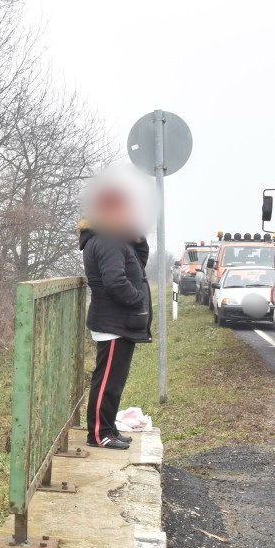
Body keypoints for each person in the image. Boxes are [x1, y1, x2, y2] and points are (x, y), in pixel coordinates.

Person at [79, 179, 153, 450]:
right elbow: (116, 282)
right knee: (106, 382)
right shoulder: (107, 241)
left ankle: (108, 429)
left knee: (113, 382)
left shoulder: (116, 239)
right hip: (113, 322)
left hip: (119, 322)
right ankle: (99, 435)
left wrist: (137, 239)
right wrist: (138, 301)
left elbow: (137, 266)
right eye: (123, 209)